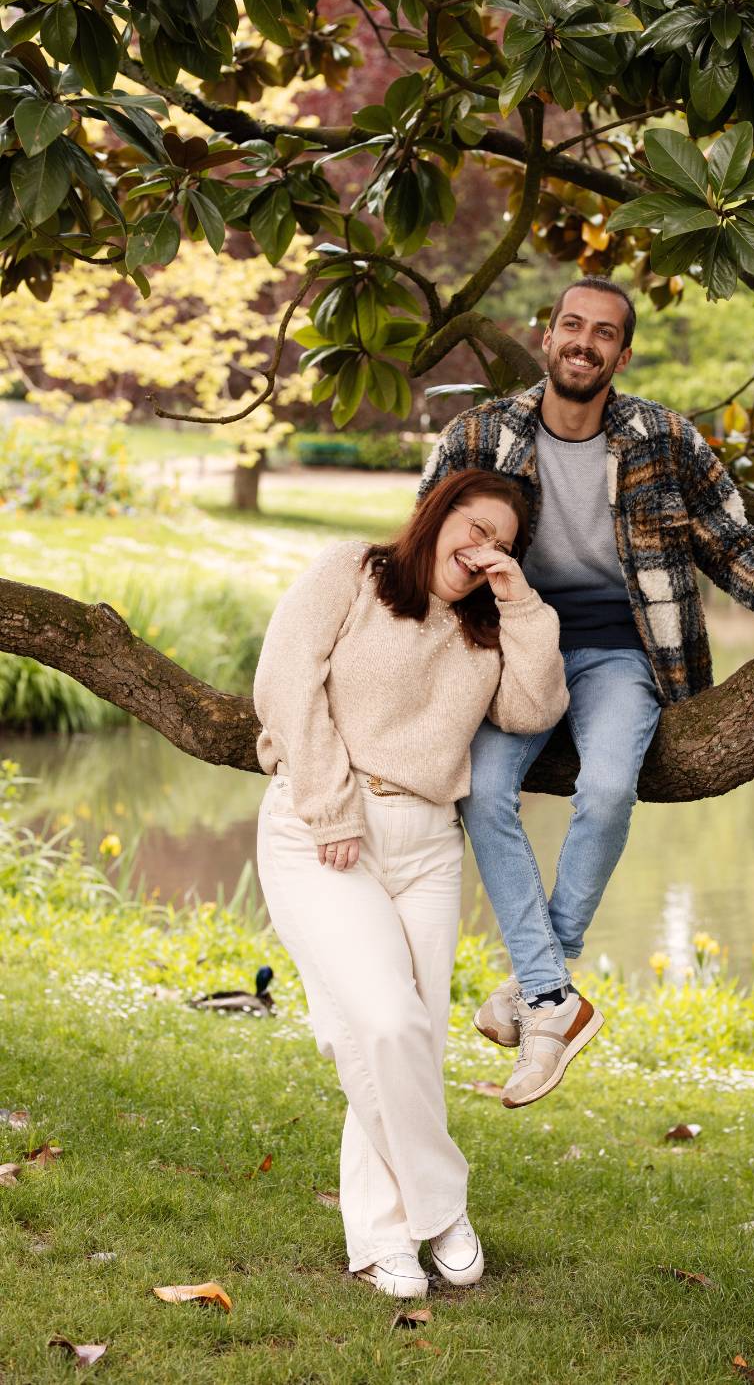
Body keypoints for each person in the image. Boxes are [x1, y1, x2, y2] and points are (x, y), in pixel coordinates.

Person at [418, 277, 754, 1109]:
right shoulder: (479, 436)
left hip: (623, 653)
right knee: (483, 790)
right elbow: (429, 548)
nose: (584, 342)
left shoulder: (664, 438)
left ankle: (540, 986)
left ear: (621, 355)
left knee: (603, 789)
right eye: (571, 326)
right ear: (549, 334)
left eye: (604, 333)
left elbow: (733, 545)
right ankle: (553, 993)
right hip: (511, 651)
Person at [253, 469, 569, 1298]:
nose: (481, 549)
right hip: (324, 830)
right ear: (436, 513)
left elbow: (533, 712)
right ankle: (442, 1208)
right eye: (473, 526)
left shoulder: (489, 628)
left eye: (500, 541)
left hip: (427, 845)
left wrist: (523, 604)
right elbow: (285, 685)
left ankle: (382, 1239)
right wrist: (329, 808)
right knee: (386, 1025)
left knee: (407, 1045)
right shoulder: (349, 573)